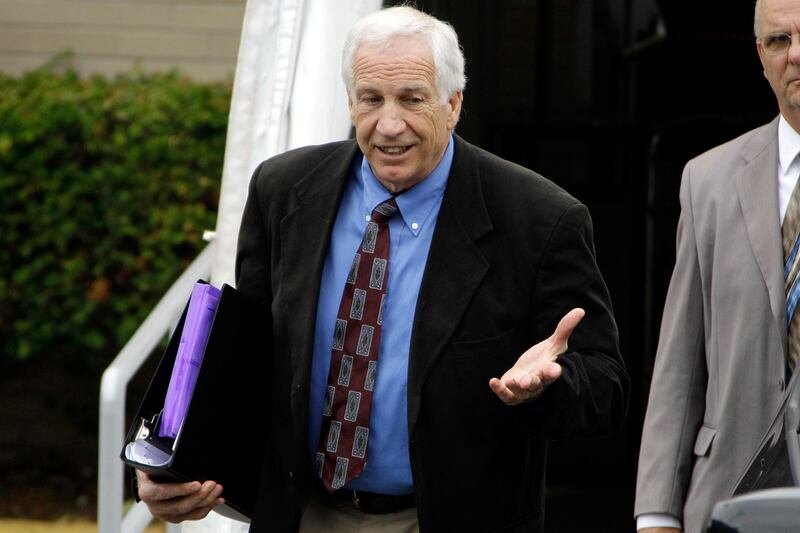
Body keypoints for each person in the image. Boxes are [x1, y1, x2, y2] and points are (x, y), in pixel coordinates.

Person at [136, 6, 629, 532]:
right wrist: (169, 460)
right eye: (371, 98)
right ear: (350, 102)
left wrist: (547, 388)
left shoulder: (539, 219)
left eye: (412, 99)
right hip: (304, 513)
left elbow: (606, 386)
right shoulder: (283, 190)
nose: (389, 125)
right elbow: (245, 363)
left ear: (453, 104)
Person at [634, 1, 800, 531]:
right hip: (728, 496)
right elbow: (679, 361)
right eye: (779, 41)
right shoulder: (707, 181)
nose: (795, 55)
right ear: (761, 56)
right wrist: (656, 512)